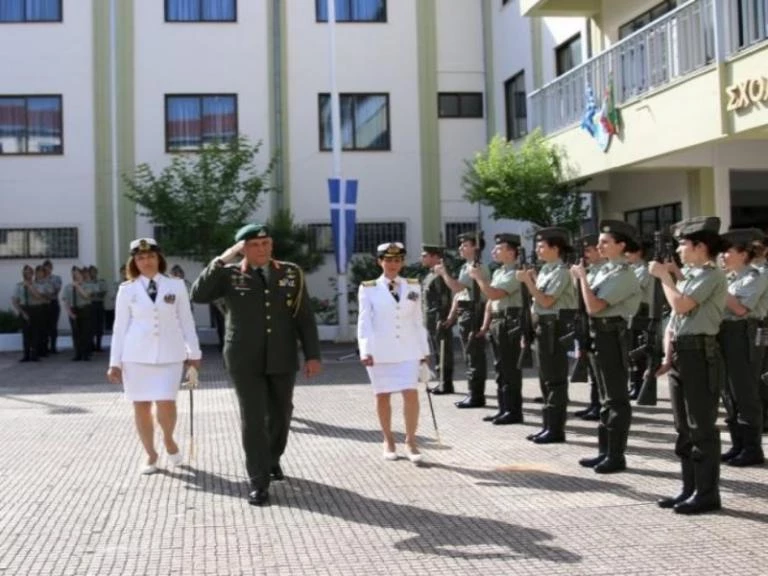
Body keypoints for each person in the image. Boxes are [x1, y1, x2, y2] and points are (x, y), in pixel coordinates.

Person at [190, 223, 321, 506]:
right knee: (253, 418)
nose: (262, 249)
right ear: (243, 249)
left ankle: (272, 458)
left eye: (266, 244)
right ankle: (258, 481)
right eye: (254, 245)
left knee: (282, 413)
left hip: (282, 354)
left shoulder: (291, 273)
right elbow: (198, 295)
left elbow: (304, 317)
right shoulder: (228, 274)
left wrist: (313, 355)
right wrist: (224, 258)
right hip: (243, 358)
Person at [651, 217, 726, 514]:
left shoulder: (712, 275)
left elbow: (681, 305)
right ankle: (689, 488)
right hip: (683, 354)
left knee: (701, 427)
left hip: (700, 355)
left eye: (683, 244)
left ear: (700, 246)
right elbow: (675, 322)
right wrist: (667, 357)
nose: (679, 250)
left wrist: (665, 278)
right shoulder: (692, 276)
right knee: (683, 427)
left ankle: (707, 494)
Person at [107, 238, 201, 475]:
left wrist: (194, 353)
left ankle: (168, 438)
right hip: (135, 356)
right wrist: (114, 363)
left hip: (170, 354)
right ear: (134, 262)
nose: (146, 261)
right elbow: (119, 328)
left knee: (167, 402)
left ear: (159, 258)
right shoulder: (127, 290)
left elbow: (186, 321)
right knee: (141, 406)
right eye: (140, 258)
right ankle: (150, 453)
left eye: (150, 256)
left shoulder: (175, 285)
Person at [572, 220, 641, 473]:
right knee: (604, 398)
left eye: (605, 242)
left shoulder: (624, 274)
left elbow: (594, 306)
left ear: (621, 245)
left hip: (613, 334)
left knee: (616, 399)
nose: (599, 246)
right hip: (598, 334)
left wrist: (582, 278)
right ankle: (604, 451)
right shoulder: (603, 271)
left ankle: (616, 456)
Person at [358, 242, 430, 462]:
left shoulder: (413, 286)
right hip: (380, 350)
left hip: (408, 349)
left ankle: (411, 441)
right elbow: (364, 321)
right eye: (388, 260)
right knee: (382, 396)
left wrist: (424, 350)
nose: (392, 264)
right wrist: (365, 350)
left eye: (397, 260)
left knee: (411, 393)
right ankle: (388, 439)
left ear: (402, 262)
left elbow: (418, 320)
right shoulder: (369, 288)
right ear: (379, 262)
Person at [517, 228, 577, 443]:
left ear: (555, 248)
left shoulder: (561, 271)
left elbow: (546, 301)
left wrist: (528, 282)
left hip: (555, 328)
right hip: (543, 327)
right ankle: (548, 426)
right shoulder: (546, 270)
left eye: (542, 246)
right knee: (545, 379)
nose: (537, 250)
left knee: (555, 381)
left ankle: (556, 430)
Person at [716, 229, 767, 467]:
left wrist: (717, 285)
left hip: (745, 333)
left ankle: (752, 449)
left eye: (728, 251)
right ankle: (738, 444)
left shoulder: (758, 275)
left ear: (744, 254)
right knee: (728, 391)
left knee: (745, 390)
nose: (722, 256)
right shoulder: (730, 278)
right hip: (726, 333)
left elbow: (740, 309)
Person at [471, 233, 524, 425]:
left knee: (510, 369)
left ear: (511, 252)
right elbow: (490, 303)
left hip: (509, 323)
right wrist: (485, 326)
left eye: (499, 248)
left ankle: (513, 411)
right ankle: (503, 408)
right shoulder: (500, 272)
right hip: (497, 321)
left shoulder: (516, 273)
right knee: (500, 368)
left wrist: (479, 278)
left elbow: (494, 294)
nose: (494, 251)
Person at [434, 232, 490, 408]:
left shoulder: (476, 267)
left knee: (474, 355)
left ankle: (476, 395)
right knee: (470, 355)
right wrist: (452, 316)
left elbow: (456, 287)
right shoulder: (467, 266)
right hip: (466, 311)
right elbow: (460, 295)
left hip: (474, 312)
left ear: (476, 248)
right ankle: (473, 392)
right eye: (461, 245)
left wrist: (444, 273)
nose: (460, 248)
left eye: (465, 245)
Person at [573, 234, 604, 421]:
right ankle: (594, 404)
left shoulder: (603, 272)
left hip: (599, 323)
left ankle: (600, 405)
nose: (586, 254)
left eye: (589, 250)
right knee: (592, 369)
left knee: (600, 370)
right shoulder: (590, 271)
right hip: (586, 323)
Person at [420, 244, 454, 395]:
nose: (422, 258)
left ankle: (446, 384)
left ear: (435, 257)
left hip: (439, 319)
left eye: (425, 255)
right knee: (438, 352)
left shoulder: (440, 275)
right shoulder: (431, 275)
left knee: (443, 351)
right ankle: (442, 382)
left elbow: (444, 299)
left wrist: (442, 318)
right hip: (431, 320)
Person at [625, 242, 654, 400]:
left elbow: (630, 290)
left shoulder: (643, 270)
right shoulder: (632, 270)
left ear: (639, 253)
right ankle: (633, 385)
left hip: (641, 314)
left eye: (629, 252)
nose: (626, 255)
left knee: (638, 352)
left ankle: (639, 386)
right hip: (633, 314)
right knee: (631, 352)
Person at [11, 265, 48, 362]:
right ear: (23, 274)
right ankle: (26, 355)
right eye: (26, 272)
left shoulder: (38, 285)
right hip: (24, 309)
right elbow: (15, 301)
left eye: (29, 272)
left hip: (35, 309)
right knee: (26, 333)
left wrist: (30, 286)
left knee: (35, 333)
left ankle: (34, 354)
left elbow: (39, 296)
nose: (28, 274)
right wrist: (22, 312)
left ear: (32, 274)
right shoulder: (19, 285)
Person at [61, 266, 93, 362]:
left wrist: (78, 286)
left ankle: (86, 354)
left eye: (77, 274)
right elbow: (66, 301)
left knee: (85, 332)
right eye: (73, 274)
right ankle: (78, 353)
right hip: (73, 310)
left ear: (81, 274)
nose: (75, 276)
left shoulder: (87, 285)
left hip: (84, 309)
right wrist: (70, 313)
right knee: (76, 333)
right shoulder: (68, 287)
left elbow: (86, 296)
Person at [42, 259, 62, 354]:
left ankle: (53, 347)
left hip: (53, 303)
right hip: (43, 304)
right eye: (46, 267)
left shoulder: (56, 278)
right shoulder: (39, 279)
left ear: (51, 268)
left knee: (53, 326)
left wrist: (47, 294)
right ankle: (44, 347)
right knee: (44, 326)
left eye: (49, 267)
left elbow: (56, 290)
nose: (47, 269)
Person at [87, 265, 108, 352]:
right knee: (90, 326)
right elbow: (87, 294)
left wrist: (94, 294)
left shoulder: (101, 282)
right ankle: (92, 344)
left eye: (94, 271)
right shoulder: (86, 283)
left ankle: (99, 345)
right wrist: (94, 294)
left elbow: (103, 293)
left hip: (99, 304)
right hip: (90, 305)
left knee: (99, 326)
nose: (93, 273)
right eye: (91, 272)